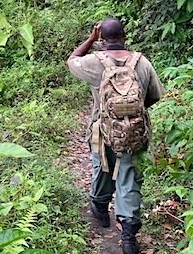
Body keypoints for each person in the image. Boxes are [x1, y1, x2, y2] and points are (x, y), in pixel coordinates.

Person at [67, 18, 164, 254]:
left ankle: (100, 207)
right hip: (135, 132)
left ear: (102, 38)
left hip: (102, 131)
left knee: (103, 168)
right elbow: (154, 96)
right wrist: (131, 116)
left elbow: (71, 60)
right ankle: (129, 236)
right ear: (125, 35)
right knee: (129, 176)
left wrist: (90, 39)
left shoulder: (93, 62)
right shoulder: (142, 62)